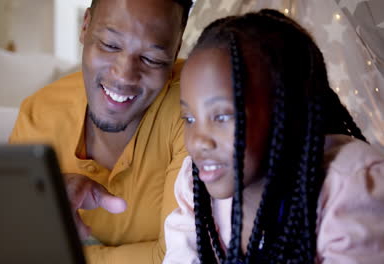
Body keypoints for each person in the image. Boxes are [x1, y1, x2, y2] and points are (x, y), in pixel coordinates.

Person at [163, 9, 384, 264]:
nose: (199, 140)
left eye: (222, 117)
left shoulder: (351, 187)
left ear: (287, 109)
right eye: (189, 119)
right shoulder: (196, 185)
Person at [9, 0, 193, 263]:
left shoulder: (195, 109)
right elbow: (10, 243)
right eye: (110, 44)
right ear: (85, 26)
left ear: (175, 51)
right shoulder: (38, 114)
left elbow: (179, 256)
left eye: (152, 58)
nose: (124, 75)